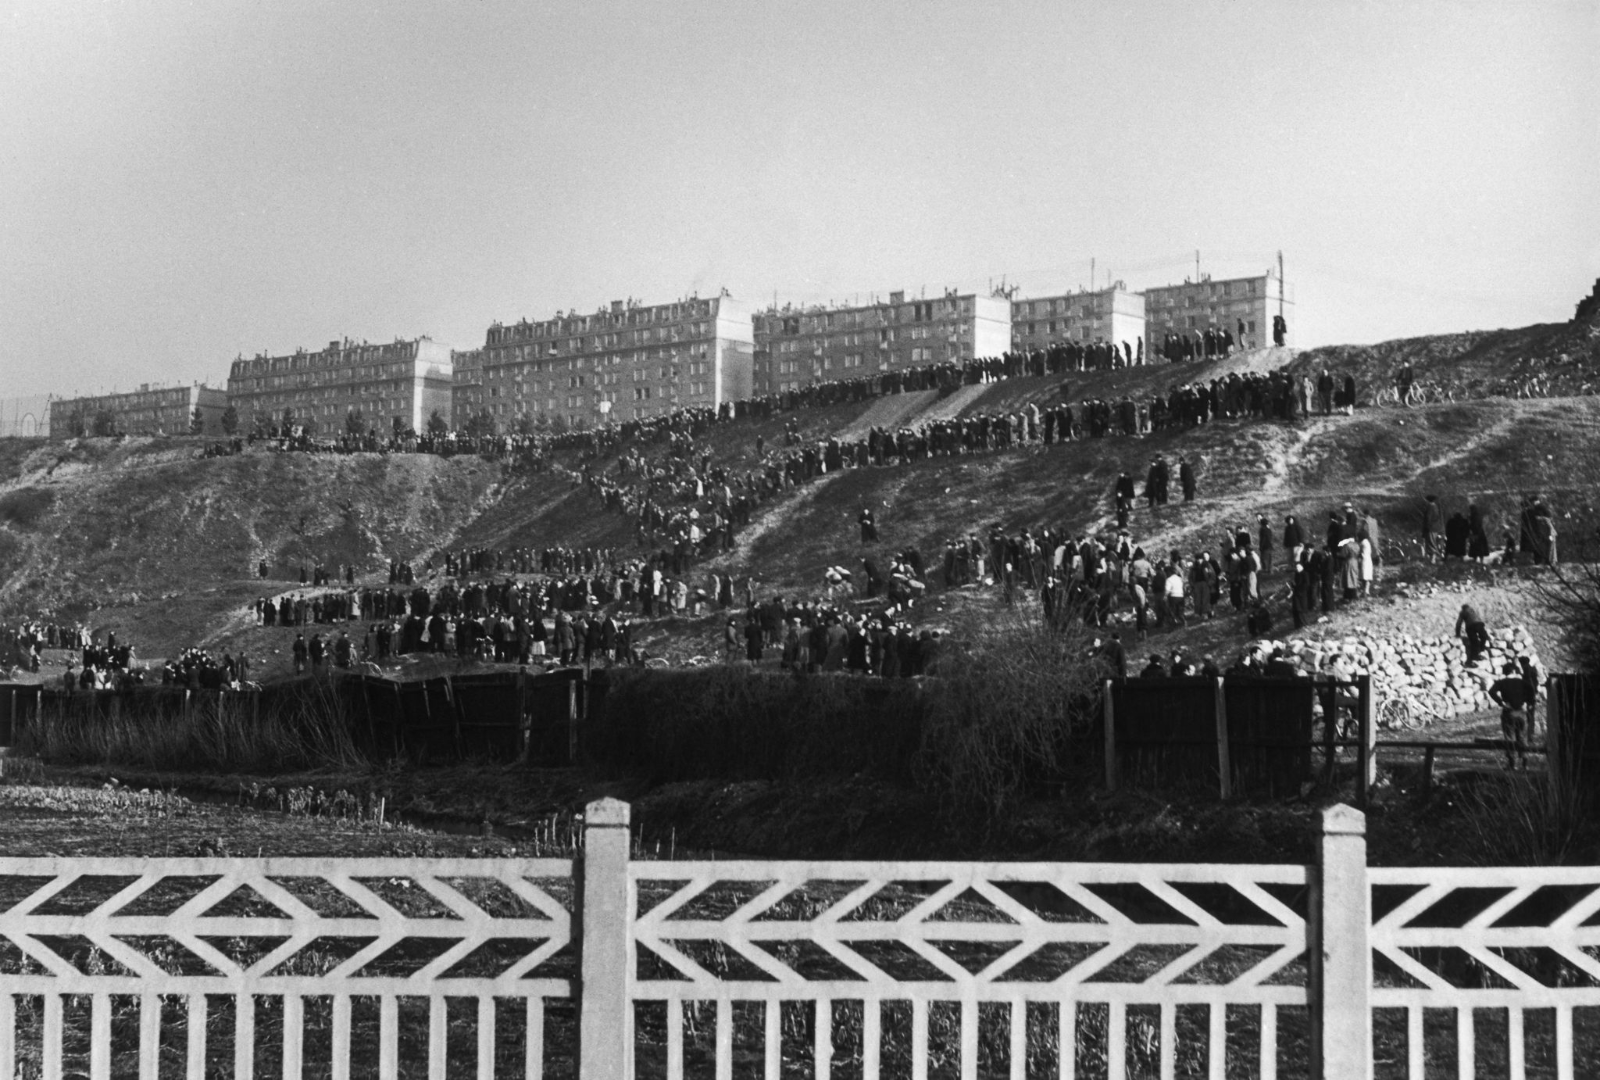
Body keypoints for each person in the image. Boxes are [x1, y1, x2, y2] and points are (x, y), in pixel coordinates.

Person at [1489, 662, 1530, 769]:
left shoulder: (1501, 682)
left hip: (1509, 712)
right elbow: (1532, 691)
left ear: (1504, 672)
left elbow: (1491, 691)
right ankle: (1525, 763)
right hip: (1521, 712)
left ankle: (1512, 764)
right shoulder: (1522, 682)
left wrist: (1501, 702)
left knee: (1510, 737)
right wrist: (1526, 702)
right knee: (1522, 737)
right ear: (1514, 671)